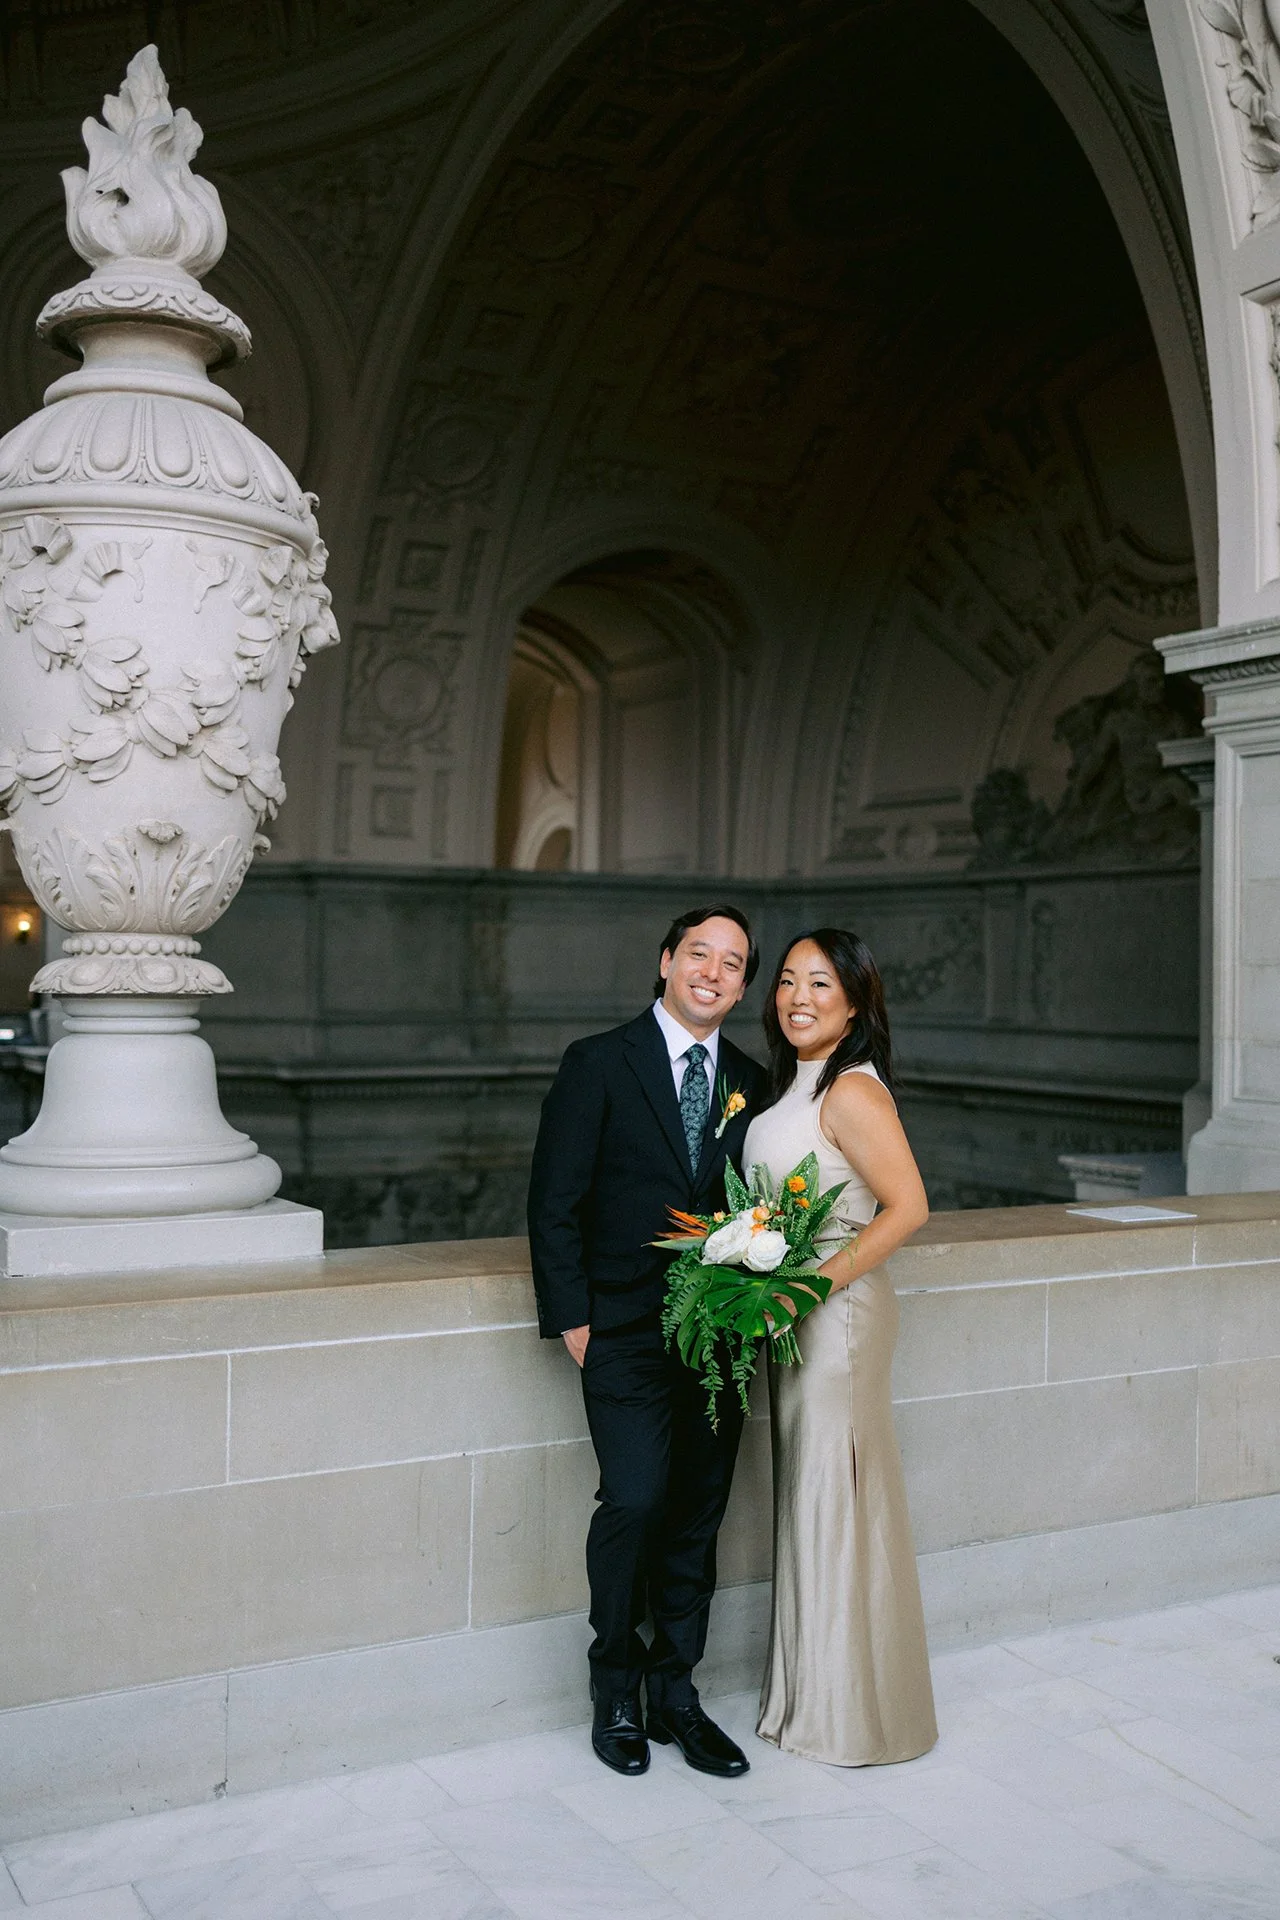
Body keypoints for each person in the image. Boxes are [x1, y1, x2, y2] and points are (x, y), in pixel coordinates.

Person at [528, 905, 768, 1778]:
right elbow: (554, 1199)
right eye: (698, 952)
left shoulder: (751, 1079)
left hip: (720, 1339)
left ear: (743, 985)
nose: (713, 970)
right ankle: (615, 1689)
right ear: (665, 961)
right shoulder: (598, 1063)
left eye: (733, 962)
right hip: (622, 1333)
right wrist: (577, 1321)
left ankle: (677, 1693)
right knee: (632, 1501)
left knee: (698, 1514)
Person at [743, 927, 938, 1766]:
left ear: (855, 1002)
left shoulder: (853, 1091)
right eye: (787, 981)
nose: (797, 997)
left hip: (840, 1321)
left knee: (836, 1497)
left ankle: (850, 1712)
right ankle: (809, 1694)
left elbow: (909, 1207)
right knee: (808, 1496)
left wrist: (810, 1287)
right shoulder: (794, 1087)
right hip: (790, 1317)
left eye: (820, 984)